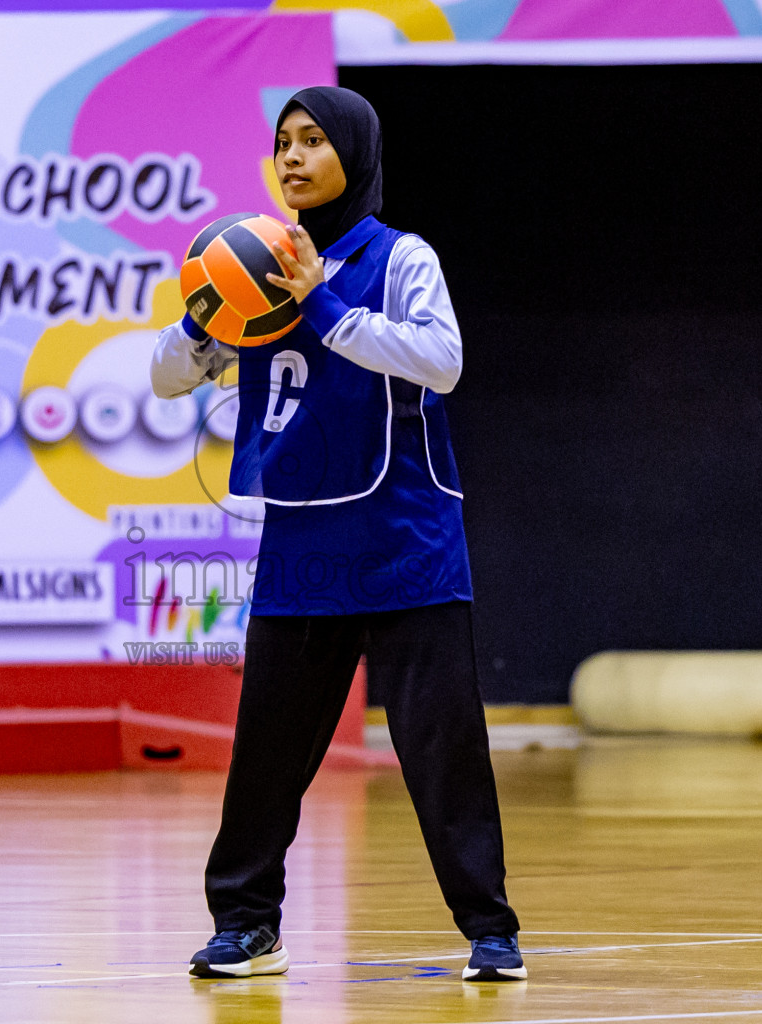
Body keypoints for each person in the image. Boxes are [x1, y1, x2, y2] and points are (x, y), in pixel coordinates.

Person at [149, 86, 524, 983]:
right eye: (282, 142)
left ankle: (491, 928)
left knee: (442, 752)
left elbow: (444, 360)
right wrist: (204, 315)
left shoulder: (401, 259)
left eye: (314, 140)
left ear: (355, 153)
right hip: (302, 546)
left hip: (405, 539)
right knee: (268, 755)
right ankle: (245, 924)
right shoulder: (249, 272)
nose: (292, 157)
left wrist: (323, 306)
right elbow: (165, 378)